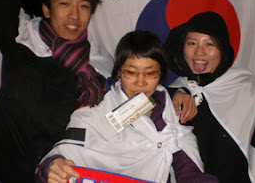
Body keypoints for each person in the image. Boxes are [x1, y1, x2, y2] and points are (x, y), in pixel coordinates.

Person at [0, 0, 113, 182]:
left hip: (62, 174)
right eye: (64, 3)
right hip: (4, 173)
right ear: (46, 9)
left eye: (84, 6)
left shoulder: (101, 66)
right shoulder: (21, 38)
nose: (74, 15)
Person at [35, 30, 219, 183]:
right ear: (118, 73)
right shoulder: (96, 109)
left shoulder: (169, 112)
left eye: (150, 73)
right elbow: (59, 157)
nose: (140, 83)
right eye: (131, 73)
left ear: (160, 75)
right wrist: (53, 166)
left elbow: (186, 168)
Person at [164, 11, 255, 183]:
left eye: (209, 44)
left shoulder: (245, 87)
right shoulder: (174, 90)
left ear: (222, 50)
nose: (199, 52)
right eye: (192, 43)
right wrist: (174, 93)